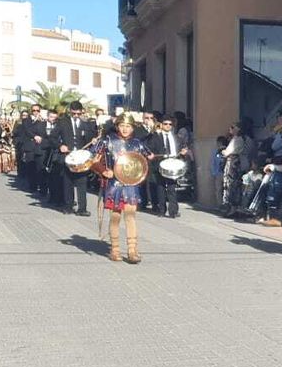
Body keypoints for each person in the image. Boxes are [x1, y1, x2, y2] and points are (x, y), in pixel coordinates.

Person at [99, 115, 150, 264]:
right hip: (114, 185)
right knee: (115, 217)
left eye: (128, 126)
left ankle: (132, 250)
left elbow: (148, 157)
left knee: (130, 216)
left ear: (133, 128)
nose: (125, 129)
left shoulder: (137, 143)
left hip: (130, 184)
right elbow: (93, 159)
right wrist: (102, 170)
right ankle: (115, 249)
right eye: (122, 126)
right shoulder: (108, 141)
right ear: (117, 126)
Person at [54, 101, 97, 216]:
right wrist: (60, 145)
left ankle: (82, 209)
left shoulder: (86, 123)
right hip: (67, 156)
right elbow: (52, 137)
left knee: (82, 182)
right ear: (70, 111)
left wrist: (92, 141)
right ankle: (68, 206)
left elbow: (90, 137)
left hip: (81, 157)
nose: (76, 116)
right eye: (74, 114)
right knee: (68, 182)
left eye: (78, 114)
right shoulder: (62, 122)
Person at [147, 114, 189, 219]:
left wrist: (183, 151)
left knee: (172, 188)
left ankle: (173, 211)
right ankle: (161, 210)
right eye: (165, 124)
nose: (168, 126)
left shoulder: (175, 137)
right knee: (160, 188)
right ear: (161, 125)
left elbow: (182, 147)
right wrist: (151, 155)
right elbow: (150, 148)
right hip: (159, 165)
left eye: (170, 124)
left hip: (172, 165)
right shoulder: (155, 137)